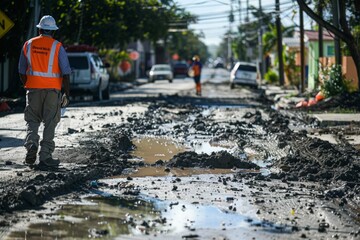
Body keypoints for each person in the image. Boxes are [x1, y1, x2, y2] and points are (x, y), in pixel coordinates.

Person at [18, 15, 71, 167]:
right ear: (53, 32)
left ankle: (31, 145)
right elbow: (65, 72)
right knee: (50, 122)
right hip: (52, 91)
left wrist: (28, 84)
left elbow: (21, 70)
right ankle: (45, 156)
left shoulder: (28, 44)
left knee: (32, 120)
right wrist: (66, 93)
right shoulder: (57, 46)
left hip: (33, 89)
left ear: (40, 29)